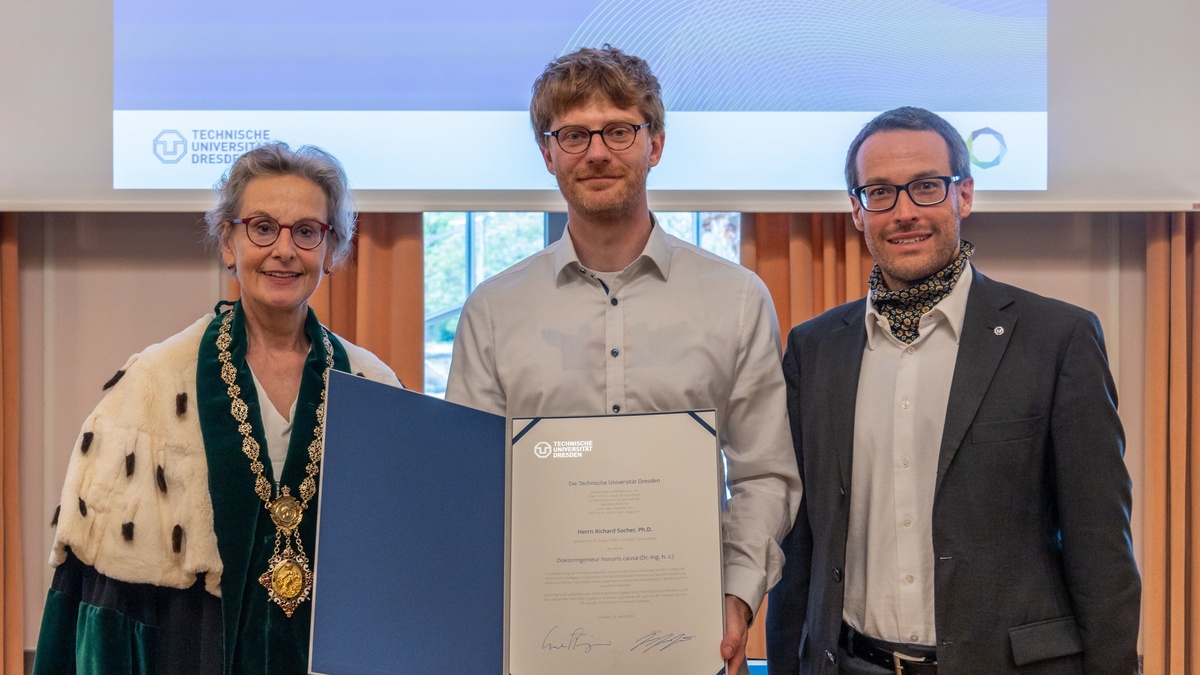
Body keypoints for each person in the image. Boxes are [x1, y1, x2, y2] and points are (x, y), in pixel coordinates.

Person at [445, 45, 801, 674]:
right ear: (548, 153)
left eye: (618, 130)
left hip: (692, 645)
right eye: (573, 135)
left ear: (654, 143)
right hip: (538, 647)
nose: (597, 152)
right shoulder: (493, 310)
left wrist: (737, 597)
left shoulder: (737, 299)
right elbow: (471, 487)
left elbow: (763, 474)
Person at [765, 107, 1141, 674]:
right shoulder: (814, 349)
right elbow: (798, 548)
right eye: (880, 193)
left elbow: (1100, 546)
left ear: (963, 195)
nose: (904, 212)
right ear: (857, 211)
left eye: (926, 187)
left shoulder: (1057, 339)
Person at [32, 142, 401, 674]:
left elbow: (396, 571)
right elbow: (105, 604)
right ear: (229, 242)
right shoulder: (152, 383)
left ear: (330, 250)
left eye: (306, 231)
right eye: (262, 227)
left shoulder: (374, 384)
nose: (284, 250)